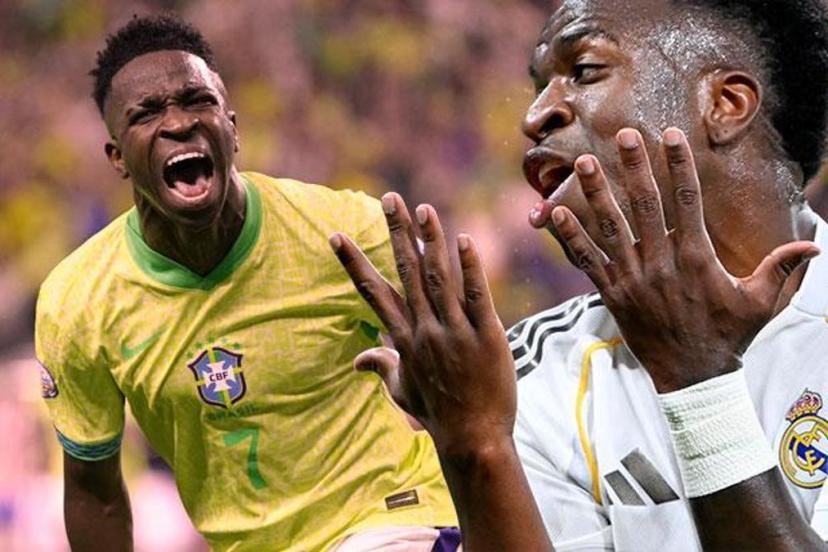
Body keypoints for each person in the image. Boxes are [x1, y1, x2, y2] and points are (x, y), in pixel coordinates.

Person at [332, 0, 828, 549]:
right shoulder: (523, 378)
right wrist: (476, 446)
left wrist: (697, 378)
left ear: (726, 103)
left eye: (585, 71)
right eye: (539, 86)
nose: (534, 116)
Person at [34, 14, 458, 551]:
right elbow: (94, 492)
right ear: (117, 157)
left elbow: (473, 364)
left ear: (232, 129)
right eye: (146, 113)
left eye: (197, 101)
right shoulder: (78, 302)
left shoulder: (346, 231)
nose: (178, 123)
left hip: (395, 516)